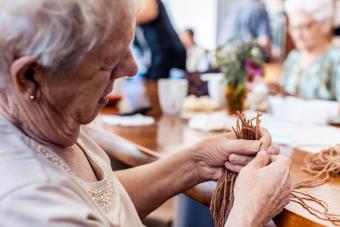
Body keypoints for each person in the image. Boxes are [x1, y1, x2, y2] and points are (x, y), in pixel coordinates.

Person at [0, 0, 291, 226]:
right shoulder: (29, 205)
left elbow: (101, 204)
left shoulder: (45, 116)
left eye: (128, 48)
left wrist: (196, 161)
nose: (132, 68)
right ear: (30, 77)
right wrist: (249, 213)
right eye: (107, 62)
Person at [270, 0, 340, 100]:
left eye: (304, 27)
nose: (297, 35)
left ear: (325, 25)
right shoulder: (293, 57)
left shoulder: (336, 59)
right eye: (293, 28)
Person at [133, 0, 187, 80]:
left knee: (157, 84)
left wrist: (126, 16)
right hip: (159, 52)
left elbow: (150, 13)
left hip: (167, 50)